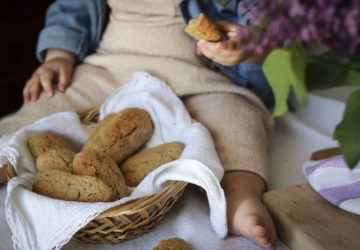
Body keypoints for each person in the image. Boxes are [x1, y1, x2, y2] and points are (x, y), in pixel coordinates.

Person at [0, 0, 276, 249]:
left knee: (237, 118)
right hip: (109, 68)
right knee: (49, 104)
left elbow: (266, 19)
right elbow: (74, 8)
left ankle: (238, 194)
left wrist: (249, 46)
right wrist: (59, 57)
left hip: (201, 78)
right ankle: (3, 155)